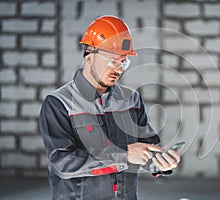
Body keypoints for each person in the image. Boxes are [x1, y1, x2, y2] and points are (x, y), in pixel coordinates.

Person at [39, 15, 181, 200]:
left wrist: (160, 162)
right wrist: (124, 155)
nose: (119, 69)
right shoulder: (59, 103)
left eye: (123, 62)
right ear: (89, 56)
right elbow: (64, 163)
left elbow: (146, 148)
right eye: (112, 61)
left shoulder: (131, 100)